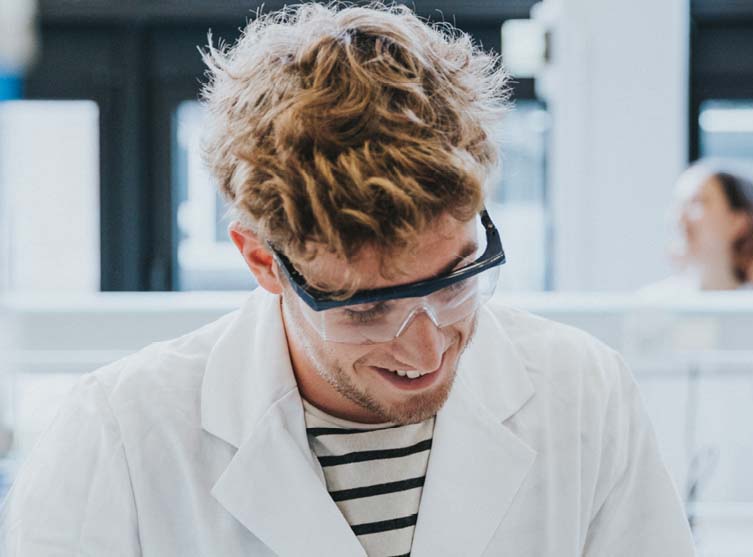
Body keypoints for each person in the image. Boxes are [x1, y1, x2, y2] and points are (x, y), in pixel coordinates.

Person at [1, 5, 695, 556]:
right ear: (262, 260)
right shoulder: (119, 437)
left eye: (456, 279)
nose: (425, 351)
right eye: (366, 308)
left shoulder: (584, 396)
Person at [645, 162, 753, 293]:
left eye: (697, 202)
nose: (679, 218)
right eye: (679, 204)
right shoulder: (653, 306)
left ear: (738, 221)